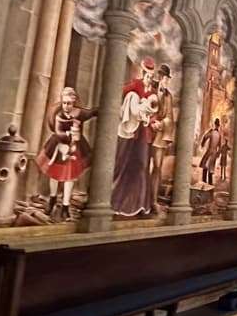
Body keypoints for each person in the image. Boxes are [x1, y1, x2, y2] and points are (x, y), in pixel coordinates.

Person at [36, 87, 97, 221]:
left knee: (70, 177)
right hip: (59, 146)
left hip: (75, 148)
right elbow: (58, 132)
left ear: (74, 102)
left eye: (69, 103)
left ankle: (65, 206)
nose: (66, 106)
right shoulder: (59, 116)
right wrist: (69, 134)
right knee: (55, 175)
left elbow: (91, 113)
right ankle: (52, 200)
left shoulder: (79, 113)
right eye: (64, 103)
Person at [112, 83, 159, 218]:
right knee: (125, 168)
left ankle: (142, 206)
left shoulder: (151, 93)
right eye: (147, 75)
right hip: (134, 136)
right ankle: (121, 204)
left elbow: (154, 112)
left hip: (142, 138)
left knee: (142, 169)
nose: (149, 79)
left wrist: (152, 121)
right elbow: (136, 110)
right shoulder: (135, 89)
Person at [149, 64, 175, 210]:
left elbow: (170, 117)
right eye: (165, 78)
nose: (166, 81)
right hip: (145, 132)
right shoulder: (150, 89)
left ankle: (153, 201)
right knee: (141, 166)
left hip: (159, 135)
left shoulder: (168, 96)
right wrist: (152, 121)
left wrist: (162, 124)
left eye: (167, 78)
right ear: (160, 77)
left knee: (157, 167)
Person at [199, 118, 222, 184]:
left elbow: (205, 137)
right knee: (210, 169)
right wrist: (218, 154)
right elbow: (219, 146)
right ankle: (210, 183)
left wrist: (202, 144)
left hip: (210, 151)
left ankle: (204, 182)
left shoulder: (211, 132)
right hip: (214, 153)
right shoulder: (219, 134)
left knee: (205, 167)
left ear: (215, 124)